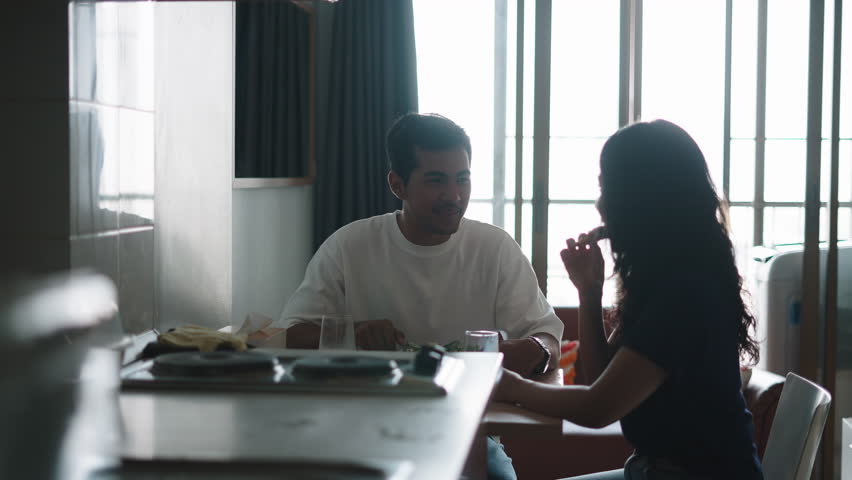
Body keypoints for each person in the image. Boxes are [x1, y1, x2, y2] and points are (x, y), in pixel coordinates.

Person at [281, 112, 565, 480]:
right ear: (397, 185)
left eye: (462, 179)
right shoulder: (350, 246)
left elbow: (548, 337)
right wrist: (356, 331)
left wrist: (534, 350)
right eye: (436, 182)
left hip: (471, 434)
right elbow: (290, 334)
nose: (454, 196)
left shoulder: (494, 249)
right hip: (364, 433)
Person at [495, 120, 763, 479]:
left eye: (608, 189)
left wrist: (507, 384)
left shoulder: (684, 294)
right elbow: (600, 380)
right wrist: (589, 292)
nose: (600, 204)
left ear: (640, 199)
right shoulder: (671, 277)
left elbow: (597, 408)